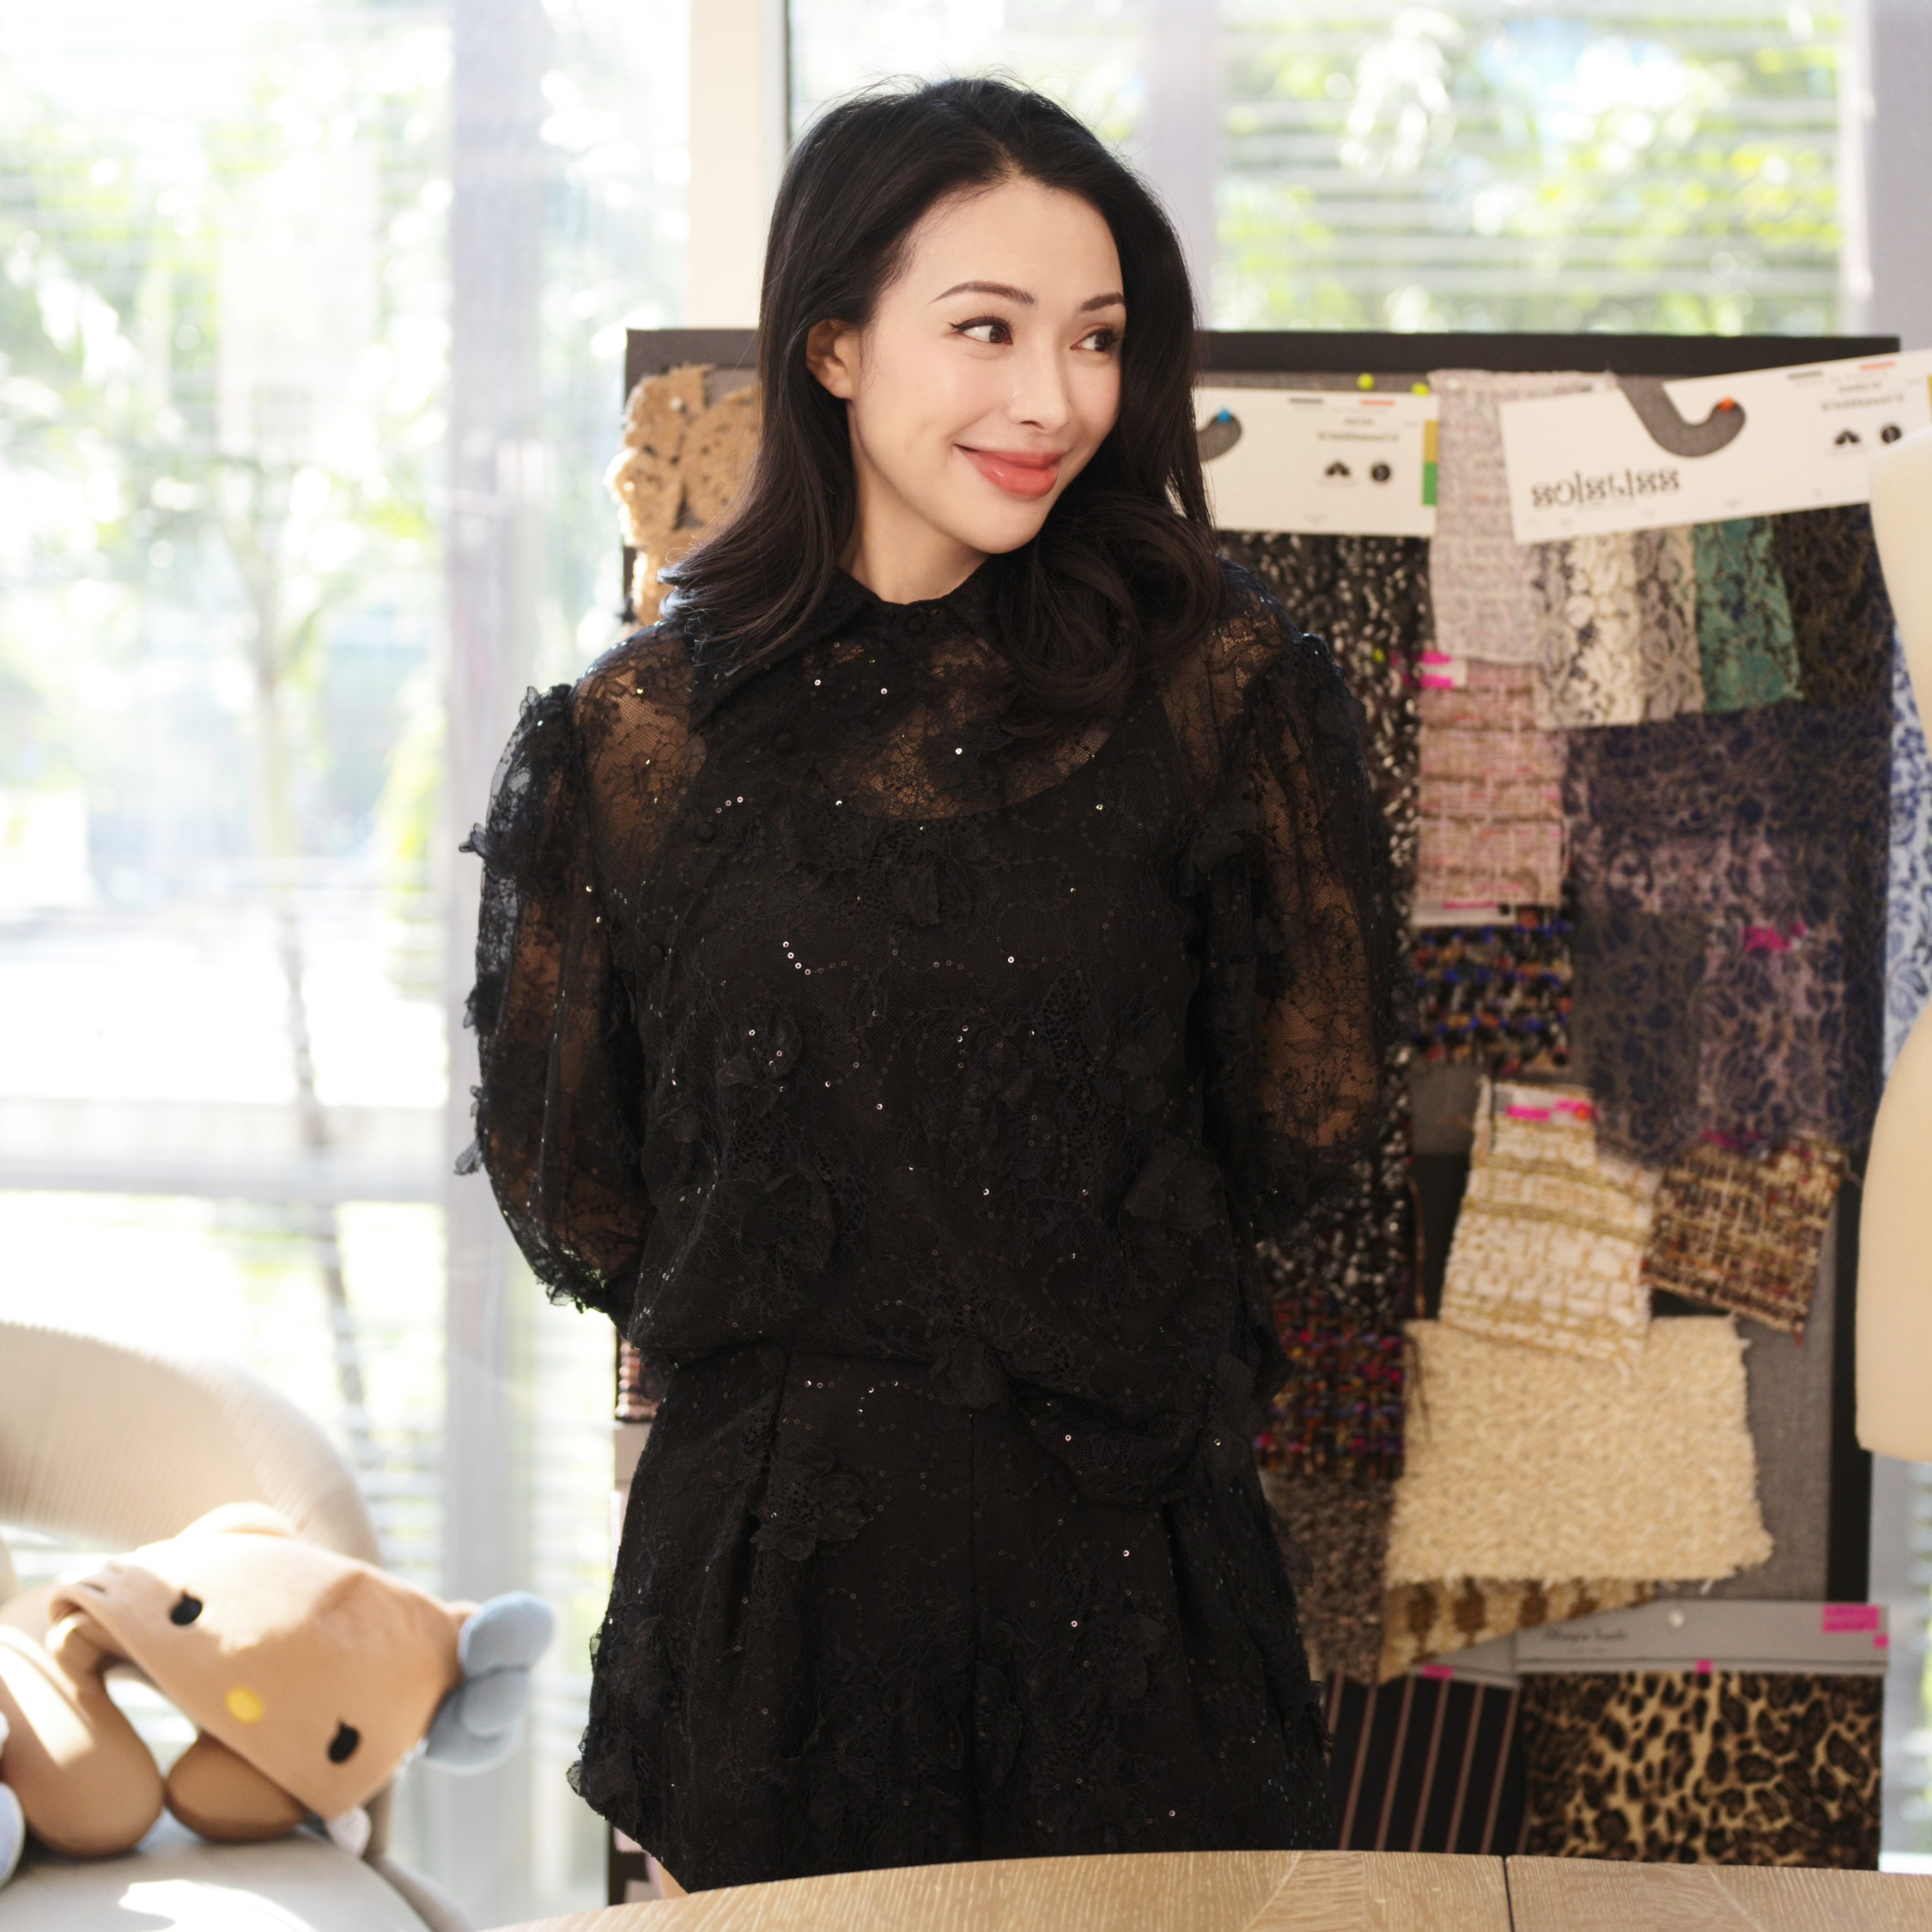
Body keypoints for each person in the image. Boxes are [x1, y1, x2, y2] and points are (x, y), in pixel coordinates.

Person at [464, 76, 1398, 1893]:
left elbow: (1312, 1112)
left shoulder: (1226, 683)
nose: (1053, 398)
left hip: (1131, 1575)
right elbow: (574, 1188)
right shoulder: (633, 734)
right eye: (987, 328)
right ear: (831, 344)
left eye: (1097, 338)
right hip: (769, 1604)